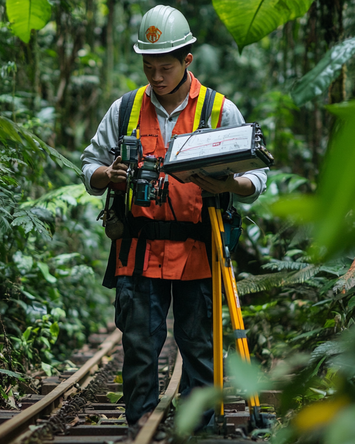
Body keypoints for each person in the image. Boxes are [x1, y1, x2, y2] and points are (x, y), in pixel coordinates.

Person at [80, 5, 267, 430]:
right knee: (141, 342)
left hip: (199, 248)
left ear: (187, 60)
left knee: (198, 344)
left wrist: (231, 186)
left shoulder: (220, 110)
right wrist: (108, 175)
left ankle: (197, 427)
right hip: (139, 249)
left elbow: (257, 174)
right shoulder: (124, 109)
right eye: (149, 67)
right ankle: (141, 423)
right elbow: (89, 165)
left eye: (165, 67)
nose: (156, 76)